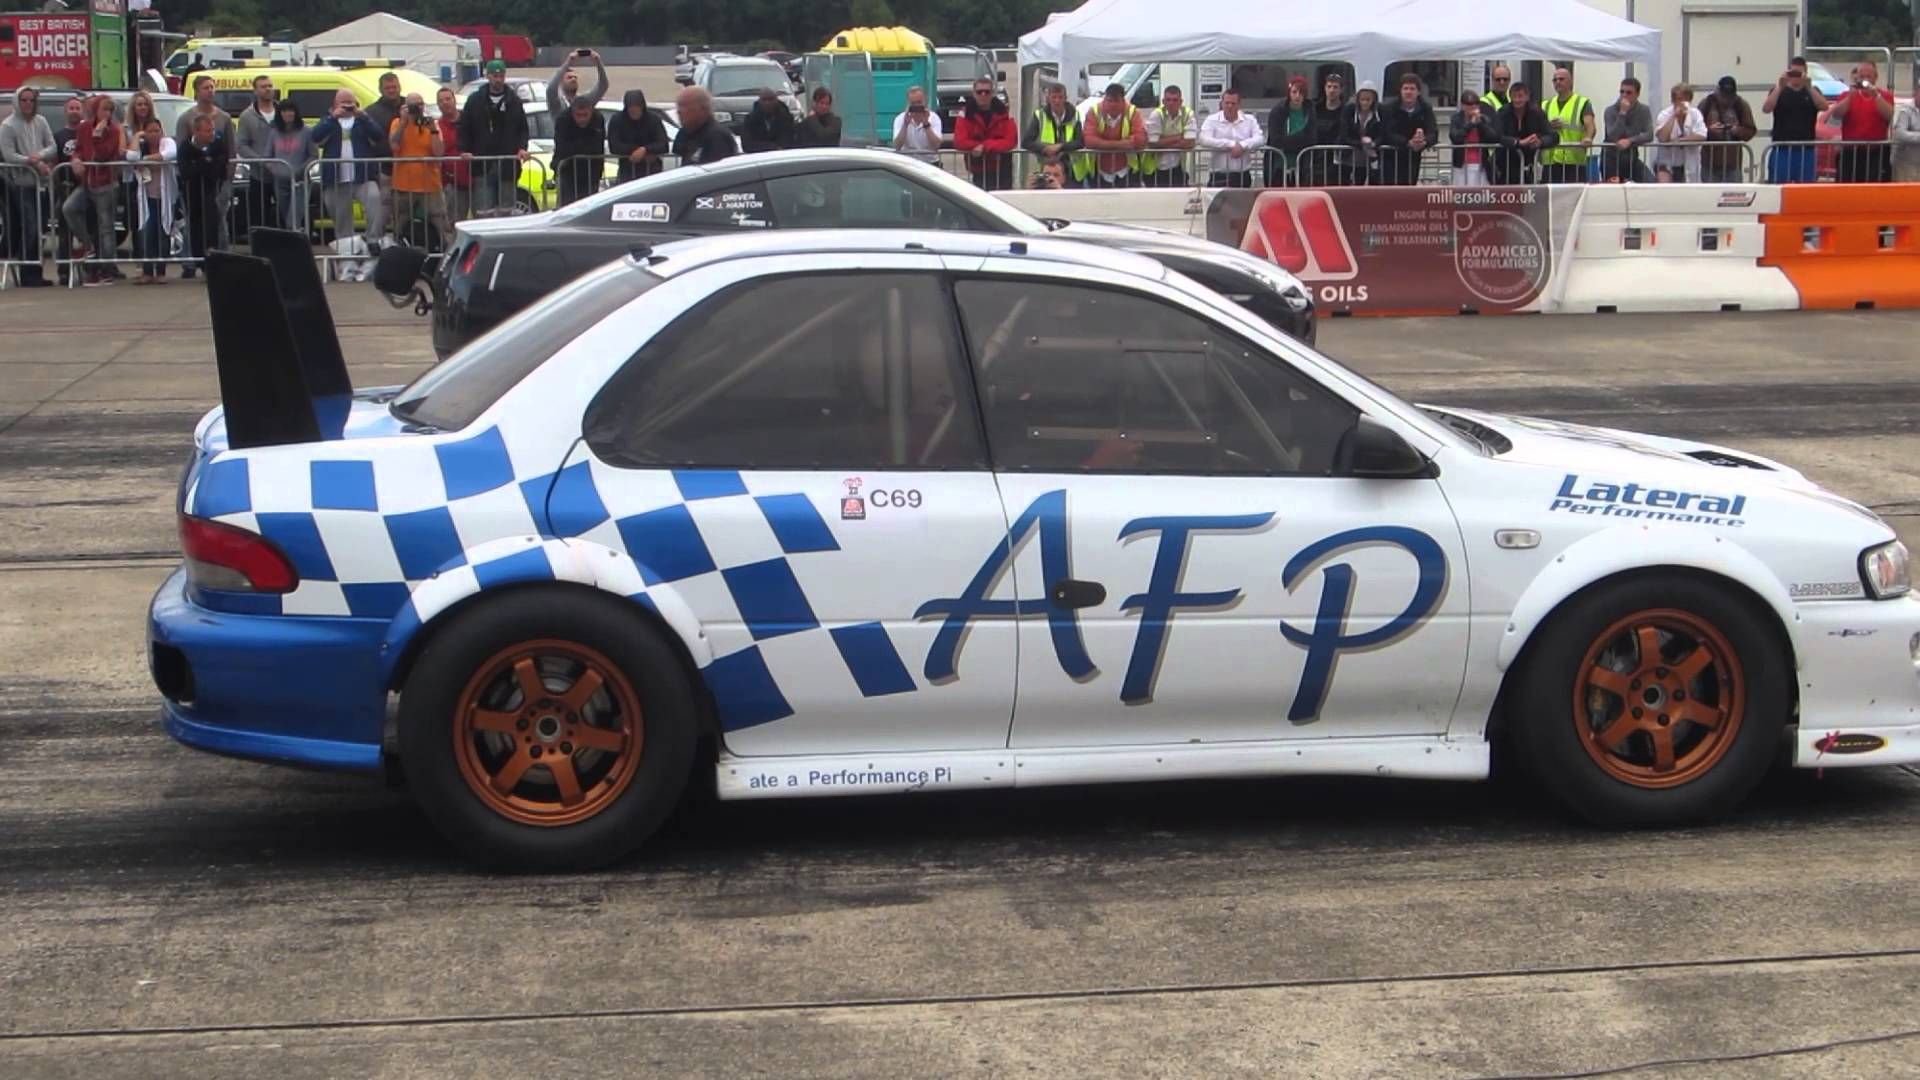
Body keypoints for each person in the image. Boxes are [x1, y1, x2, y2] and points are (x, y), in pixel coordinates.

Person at [311, 89, 384, 250]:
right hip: (336, 178)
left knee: (374, 202)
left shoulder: (362, 120)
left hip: (363, 176)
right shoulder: (328, 120)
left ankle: (373, 239)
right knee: (341, 217)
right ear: (335, 105)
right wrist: (333, 118)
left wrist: (363, 116)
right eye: (343, 104)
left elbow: (378, 135)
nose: (347, 107)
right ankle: (347, 248)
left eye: (350, 104)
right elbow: (315, 136)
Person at [459, 60, 532, 216]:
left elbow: (523, 129)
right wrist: (465, 149)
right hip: (482, 165)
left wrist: (522, 148)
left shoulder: (514, 100)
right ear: (488, 76)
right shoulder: (474, 100)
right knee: (484, 211)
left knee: (507, 211)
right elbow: (464, 127)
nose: (498, 80)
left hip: (508, 165)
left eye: (501, 76)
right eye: (495, 76)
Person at [0, 85, 56, 286]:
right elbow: (8, 155)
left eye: (31, 100)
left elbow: (52, 146)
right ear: (17, 101)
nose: (28, 104)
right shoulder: (7, 126)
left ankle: (35, 271)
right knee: (29, 227)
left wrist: (39, 156)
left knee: (41, 227)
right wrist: (30, 161)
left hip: (40, 184)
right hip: (19, 185)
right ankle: (27, 273)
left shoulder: (41, 121)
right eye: (24, 100)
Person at [64, 95, 123, 285]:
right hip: (88, 182)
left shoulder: (114, 130)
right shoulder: (84, 127)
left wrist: (98, 136)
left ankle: (107, 269)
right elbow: (79, 148)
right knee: (69, 208)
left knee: (106, 228)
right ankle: (88, 246)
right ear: (96, 110)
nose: (107, 114)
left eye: (110, 110)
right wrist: (75, 159)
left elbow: (103, 155)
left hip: (106, 183)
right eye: (104, 109)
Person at [175, 76, 236, 246]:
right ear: (197, 91)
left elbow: (231, 149)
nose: (210, 91)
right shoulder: (186, 118)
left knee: (220, 221)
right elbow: (182, 149)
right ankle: (193, 258)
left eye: (212, 87)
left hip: (218, 181)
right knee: (193, 223)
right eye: (205, 88)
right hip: (193, 184)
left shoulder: (224, 118)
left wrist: (228, 178)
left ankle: (221, 255)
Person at [388, 92, 453, 246]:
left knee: (441, 223)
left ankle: (445, 253)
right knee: (400, 224)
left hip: (430, 184)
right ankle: (400, 251)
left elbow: (438, 153)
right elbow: (394, 145)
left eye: (420, 104)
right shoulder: (397, 123)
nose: (417, 108)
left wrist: (433, 130)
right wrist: (404, 123)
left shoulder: (431, 124)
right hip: (403, 185)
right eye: (413, 105)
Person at [177, 112, 229, 276]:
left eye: (212, 130)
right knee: (195, 228)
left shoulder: (218, 145)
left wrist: (201, 165)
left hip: (212, 191)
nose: (211, 134)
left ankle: (213, 263)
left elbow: (218, 169)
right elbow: (185, 171)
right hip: (191, 193)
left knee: (213, 226)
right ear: (196, 131)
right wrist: (204, 162)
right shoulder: (186, 147)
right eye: (207, 131)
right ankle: (197, 261)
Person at [124, 117, 175, 283]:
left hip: (165, 198)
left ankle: (161, 272)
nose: (154, 134)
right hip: (146, 199)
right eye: (150, 131)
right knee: (146, 233)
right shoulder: (141, 146)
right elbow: (131, 157)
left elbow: (169, 154)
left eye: (157, 130)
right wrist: (136, 137)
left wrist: (144, 160)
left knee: (163, 233)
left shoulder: (167, 142)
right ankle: (147, 271)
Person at [1828, 61, 1894, 183]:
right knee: (1848, 186)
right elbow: (1836, 114)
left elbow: (1890, 115)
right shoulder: (1846, 95)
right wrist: (1850, 98)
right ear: (1857, 77)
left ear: (1875, 77)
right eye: (1862, 76)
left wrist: (1876, 96)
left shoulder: (1885, 96)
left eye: (1868, 76)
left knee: (1875, 186)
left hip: (1876, 152)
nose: (1865, 80)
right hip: (1850, 151)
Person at [1762, 57, 1824, 183]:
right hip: (1782, 148)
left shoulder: (1813, 91)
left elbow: (1824, 106)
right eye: (1792, 73)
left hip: (1806, 148)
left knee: (1805, 188)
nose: (1795, 77)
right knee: (1779, 185)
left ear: (1805, 73)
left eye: (1799, 73)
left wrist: (1809, 87)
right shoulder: (1778, 91)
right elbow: (1766, 108)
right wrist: (1780, 86)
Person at [235, 74, 281, 230]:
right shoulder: (247, 116)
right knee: (260, 218)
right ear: (255, 91)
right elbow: (241, 145)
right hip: (258, 176)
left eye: (270, 86)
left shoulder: (283, 112)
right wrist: (261, 161)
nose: (268, 89)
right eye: (263, 87)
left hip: (283, 174)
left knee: (284, 217)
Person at [954, 77, 1017, 190]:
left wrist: (985, 146)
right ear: (974, 93)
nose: (983, 95)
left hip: (1002, 168)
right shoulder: (965, 114)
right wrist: (977, 146)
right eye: (979, 92)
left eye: (987, 92)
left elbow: (1011, 141)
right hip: (978, 168)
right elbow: (959, 141)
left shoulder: (1004, 113)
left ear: (992, 93)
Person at [1494, 82, 1556, 185]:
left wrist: (1540, 142)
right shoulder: (1503, 112)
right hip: (1505, 164)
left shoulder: (1537, 113)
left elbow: (1553, 136)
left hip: (1529, 165)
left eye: (1520, 96)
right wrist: (1518, 142)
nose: (1517, 100)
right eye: (1514, 96)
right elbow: (1496, 136)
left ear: (1527, 97)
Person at [1539, 67, 1594, 183]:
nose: (1558, 82)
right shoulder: (1545, 104)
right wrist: (1549, 126)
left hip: (1573, 161)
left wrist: (1588, 137)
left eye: (1561, 79)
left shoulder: (1582, 102)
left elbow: (1590, 125)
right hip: (1550, 161)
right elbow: (1538, 127)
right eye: (1555, 80)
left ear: (1570, 82)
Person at [1198, 88, 1261, 188]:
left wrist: (1242, 145)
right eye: (1227, 103)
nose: (1229, 106)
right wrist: (1230, 145)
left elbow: (1260, 138)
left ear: (1239, 104)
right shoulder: (1212, 119)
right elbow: (1203, 139)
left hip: (1242, 174)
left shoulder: (1250, 119)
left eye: (1233, 103)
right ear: (1222, 103)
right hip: (1218, 175)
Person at [1381, 73, 1437, 185]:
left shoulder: (1425, 108)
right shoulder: (1389, 108)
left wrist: (1424, 142)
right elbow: (1386, 132)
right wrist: (1407, 142)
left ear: (1418, 92)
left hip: (1413, 157)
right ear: (1400, 91)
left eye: (1412, 89)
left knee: (1410, 189)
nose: (1408, 92)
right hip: (1391, 157)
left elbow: (1433, 132)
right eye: (1405, 88)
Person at [267, 99, 314, 232]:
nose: (289, 114)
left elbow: (313, 155)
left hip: (300, 181)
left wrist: (301, 170)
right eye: (285, 111)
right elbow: (267, 156)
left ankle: (297, 239)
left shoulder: (306, 131)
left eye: (291, 110)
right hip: (280, 182)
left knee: (293, 220)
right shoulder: (274, 132)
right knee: (284, 216)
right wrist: (274, 170)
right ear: (280, 114)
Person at [1021, 83, 1083, 184]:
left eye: (1060, 97)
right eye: (1054, 97)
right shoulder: (1039, 115)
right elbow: (1026, 142)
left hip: (1070, 169)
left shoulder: (1075, 115)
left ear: (1065, 98)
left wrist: (1060, 147)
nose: (1057, 101)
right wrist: (1044, 148)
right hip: (1047, 168)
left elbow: (1080, 142)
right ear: (1048, 98)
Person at [551, 96, 606, 207]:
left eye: (585, 115)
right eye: (578, 115)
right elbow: (562, 148)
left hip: (591, 172)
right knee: (567, 207)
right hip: (567, 171)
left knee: (589, 207)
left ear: (591, 111)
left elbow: (597, 148)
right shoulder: (563, 120)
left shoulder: (598, 119)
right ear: (572, 112)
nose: (582, 119)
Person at [1700, 76, 1756, 183]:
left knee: (1733, 192)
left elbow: (1751, 130)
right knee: (1709, 192)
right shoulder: (1707, 103)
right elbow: (1696, 129)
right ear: (1718, 90)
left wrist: (1737, 130)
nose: (1726, 98)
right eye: (1723, 94)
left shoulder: (1741, 104)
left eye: (1729, 95)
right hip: (1709, 162)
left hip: (1733, 162)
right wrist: (1709, 130)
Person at [50, 98, 83, 271]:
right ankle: (64, 270)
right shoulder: (58, 136)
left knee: (87, 227)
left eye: (77, 108)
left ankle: (89, 268)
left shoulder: (86, 133)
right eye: (71, 108)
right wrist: (57, 184)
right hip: (65, 187)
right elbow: (54, 162)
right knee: (64, 232)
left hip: (84, 187)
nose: (74, 111)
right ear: (65, 111)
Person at [608, 89, 669, 183]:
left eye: (636, 107)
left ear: (642, 106)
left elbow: (663, 144)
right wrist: (636, 151)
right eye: (631, 107)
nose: (634, 110)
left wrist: (645, 150)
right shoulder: (617, 120)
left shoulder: (653, 120)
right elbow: (614, 146)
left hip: (651, 172)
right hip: (627, 172)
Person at [1142, 84, 1197, 188]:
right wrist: (1179, 137)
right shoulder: (1157, 114)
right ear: (1163, 101)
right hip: (1155, 170)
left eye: (1175, 100)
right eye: (1168, 100)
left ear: (1181, 102)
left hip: (1178, 168)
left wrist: (1162, 143)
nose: (1171, 103)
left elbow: (1190, 142)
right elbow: (1153, 143)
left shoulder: (1188, 113)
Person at [1600, 77, 1654, 182]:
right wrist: (1622, 113)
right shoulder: (1610, 110)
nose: (1624, 95)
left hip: (1631, 157)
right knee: (1614, 187)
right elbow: (1612, 136)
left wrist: (1630, 140)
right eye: (1622, 92)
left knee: (1650, 181)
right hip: (1611, 158)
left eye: (1629, 93)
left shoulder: (1643, 110)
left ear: (1637, 94)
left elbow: (1649, 134)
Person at [1652, 83, 1707, 182]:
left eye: (1686, 99)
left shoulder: (1695, 114)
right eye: (1680, 99)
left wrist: (1680, 140)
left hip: (1688, 163)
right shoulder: (1664, 114)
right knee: (1666, 187)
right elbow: (1663, 137)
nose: (1683, 103)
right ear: (1673, 100)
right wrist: (1674, 116)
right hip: (1667, 163)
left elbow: (1702, 135)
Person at [1264, 76, 1314, 186]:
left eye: (1301, 93)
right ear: (1289, 93)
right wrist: (1300, 140)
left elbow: (1311, 138)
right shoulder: (1278, 111)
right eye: (1294, 92)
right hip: (1279, 164)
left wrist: (1289, 141)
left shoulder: (1310, 110)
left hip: (1302, 164)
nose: (1297, 96)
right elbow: (1276, 140)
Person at [672, 87, 738, 166]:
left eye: (684, 106)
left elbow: (716, 171)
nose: (679, 111)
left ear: (703, 109)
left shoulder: (717, 136)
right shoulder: (685, 133)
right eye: (678, 106)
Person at [1304, 73, 1350, 185]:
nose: (1331, 90)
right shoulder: (1315, 109)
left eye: (1335, 87)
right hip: (1315, 159)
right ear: (1324, 88)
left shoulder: (1347, 111)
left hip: (1337, 162)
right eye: (1329, 86)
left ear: (1341, 90)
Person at [1449, 90, 1499, 186]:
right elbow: (1455, 137)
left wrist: (1480, 124)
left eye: (1476, 104)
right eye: (1469, 104)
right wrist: (1470, 124)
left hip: (1480, 164)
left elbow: (1493, 137)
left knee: (1480, 192)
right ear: (1463, 106)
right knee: (1461, 192)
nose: (1473, 107)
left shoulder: (1484, 119)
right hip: (1461, 164)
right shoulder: (1456, 119)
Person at [435, 87, 470, 223]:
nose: (445, 103)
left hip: (476, 178)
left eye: (448, 99)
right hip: (452, 183)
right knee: (454, 222)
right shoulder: (436, 126)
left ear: (454, 100)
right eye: (441, 101)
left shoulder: (469, 120)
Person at [1344, 81, 1385, 186]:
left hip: (1373, 156)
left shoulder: (1380, 112)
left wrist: (1373, 144)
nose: (1365, 103)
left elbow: (1383, 133)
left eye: (1368, 100)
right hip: (1354, 157)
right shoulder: (1349, 111)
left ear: (1374, 100)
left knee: (1374, 183)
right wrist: (1361, 144)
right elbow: (1344, 134)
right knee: (1356, 183)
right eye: (1362, 99)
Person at [548, 49, 608, 118]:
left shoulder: (584, 101)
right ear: (561, 82)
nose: (573, 79)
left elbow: (603, 86)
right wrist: (569, 61)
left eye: (575, 77)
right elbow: (551, 89)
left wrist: (598, 62)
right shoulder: (557, 103)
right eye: (569, 77)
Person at [890, 85, 942, 164]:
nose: (917, 106)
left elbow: (936, 146)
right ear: (908, 103)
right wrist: (905, 125)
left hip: (930, 163)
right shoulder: (900, 119)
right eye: (913, 103)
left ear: (925, 101)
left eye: (919, 102)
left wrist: (926, 124)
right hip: (908, 163)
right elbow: (897, 146)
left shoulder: (934, 118)